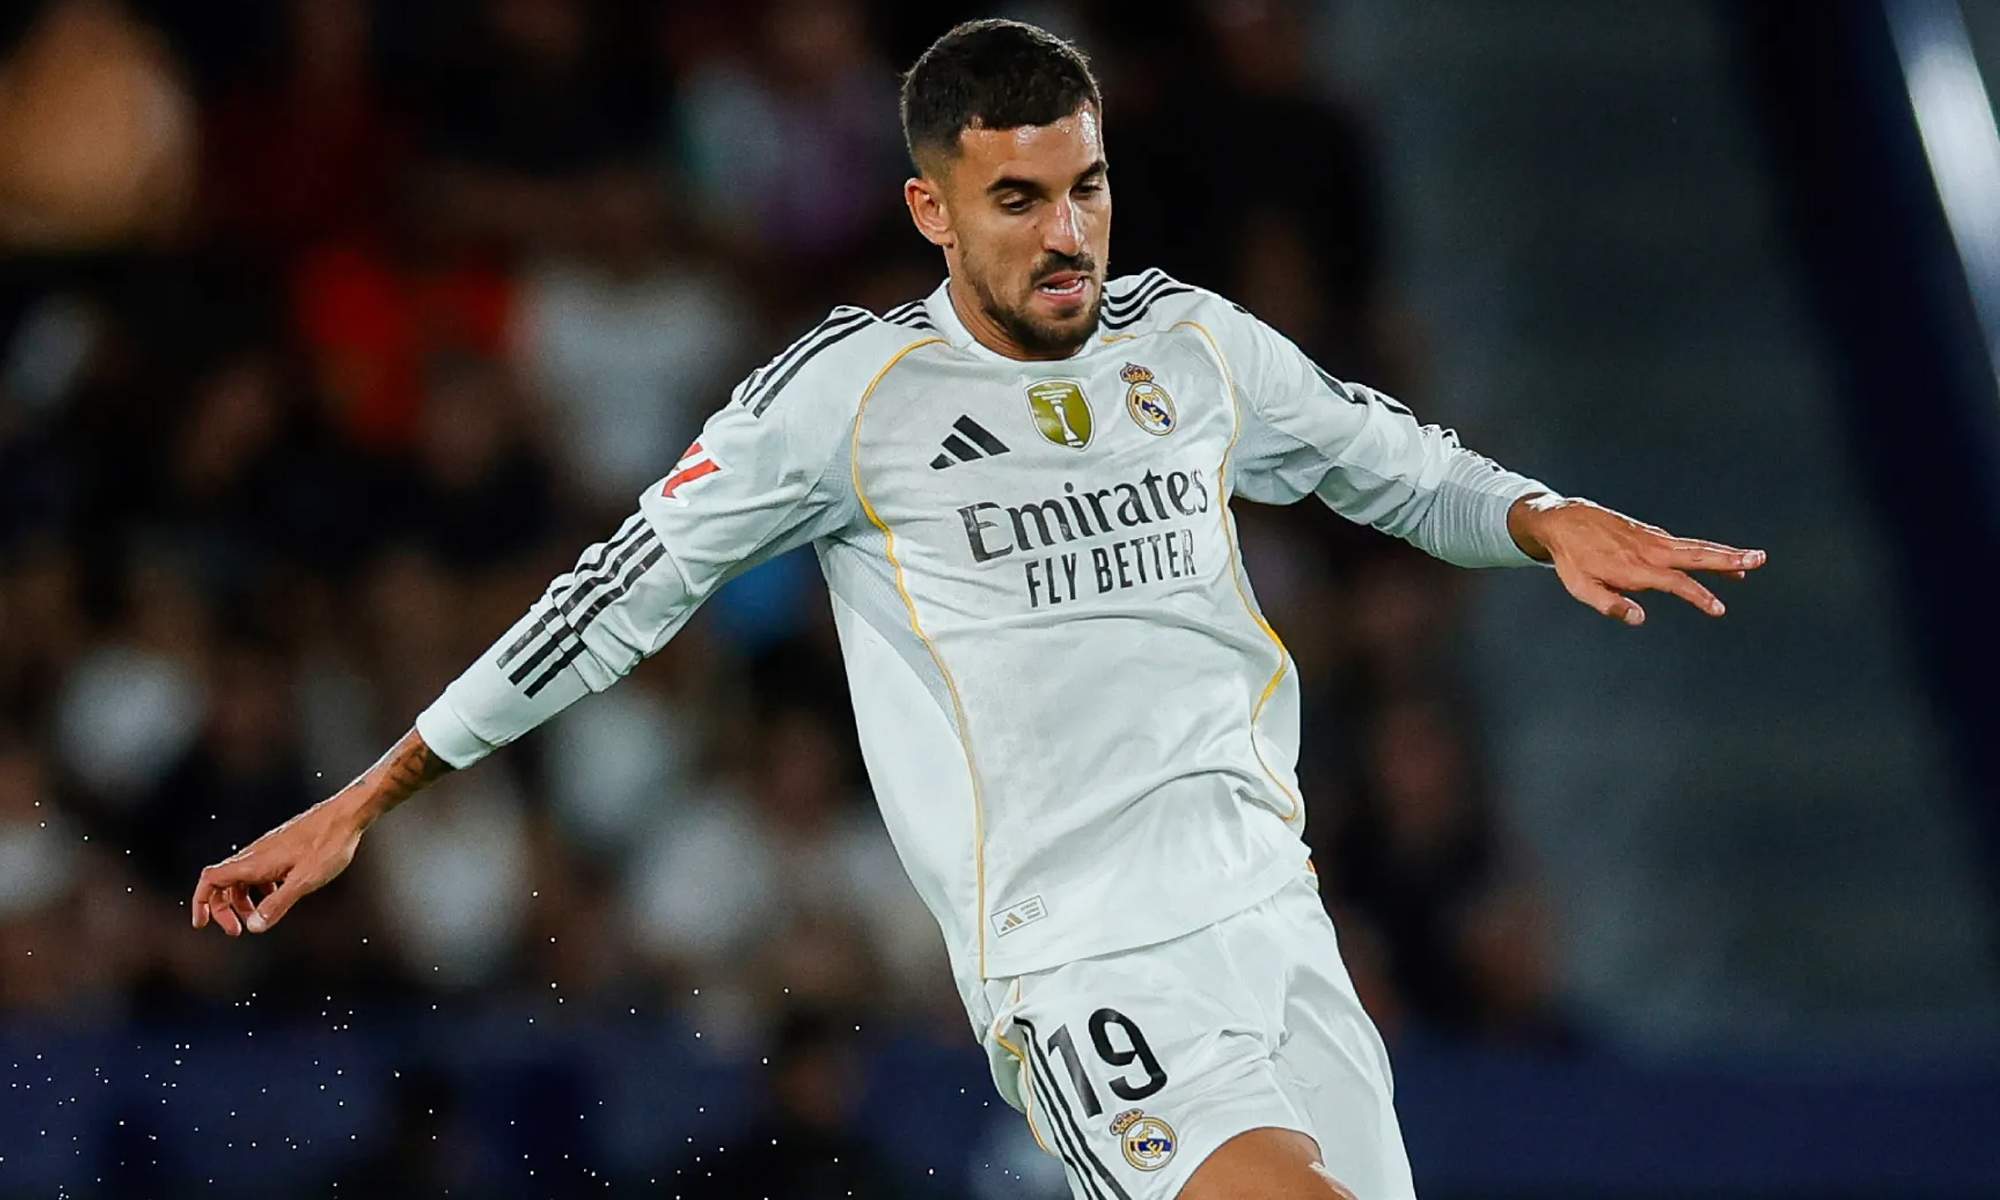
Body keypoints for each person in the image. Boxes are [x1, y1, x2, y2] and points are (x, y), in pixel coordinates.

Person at [190, 19, 1766, 1199]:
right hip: (1084, 958)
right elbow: (615, 597)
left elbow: (1384, 462)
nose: (1066, 232)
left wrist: (1541, 517)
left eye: (1084, 188)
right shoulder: (845, 397)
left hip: (1275, 922)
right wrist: (374, 789)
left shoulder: (1193, 345)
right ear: (933, 210)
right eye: (1016, 199)